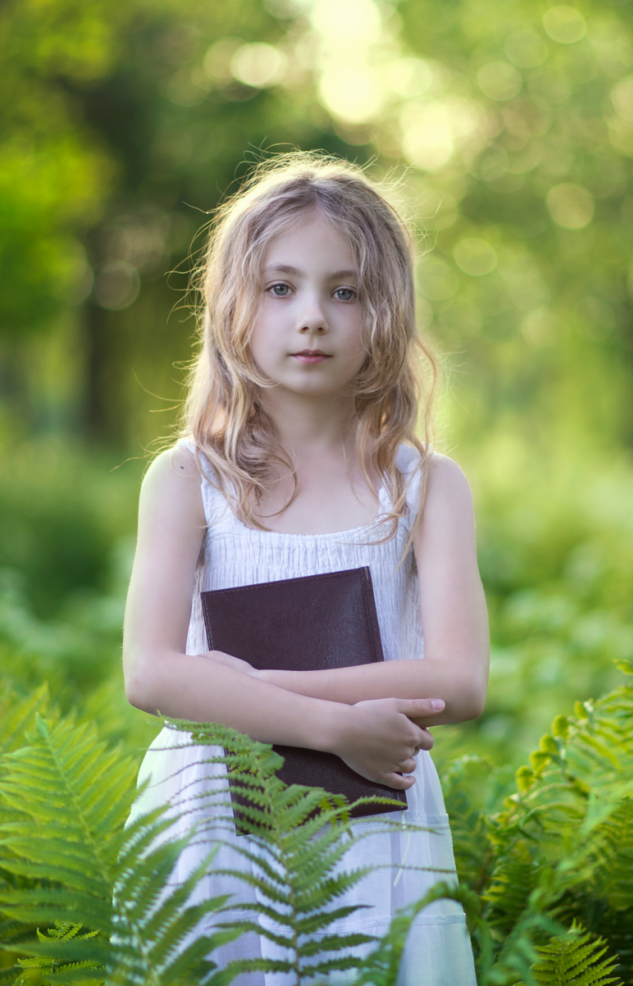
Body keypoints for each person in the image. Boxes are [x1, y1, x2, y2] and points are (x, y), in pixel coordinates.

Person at [122, 153, 487, 983]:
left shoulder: (426, 487)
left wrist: (231, 683)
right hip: (213, 820)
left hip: (380, 826)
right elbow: (150, 675)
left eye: (345, 290)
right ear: (232, 306)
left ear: (385, 310)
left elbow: (460, 681)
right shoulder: (187, 481)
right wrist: (334, 727)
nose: (312, 317)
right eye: (280, 289)